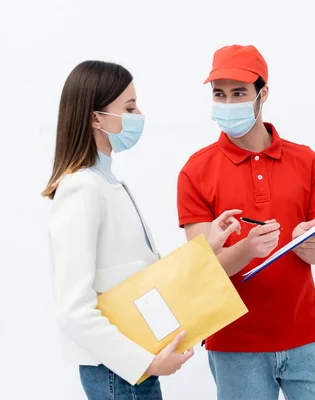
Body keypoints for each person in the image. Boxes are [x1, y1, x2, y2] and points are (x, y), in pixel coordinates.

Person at [43, 60, 242, 400]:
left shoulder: (109, 183)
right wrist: (145, 363)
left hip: (131, 367)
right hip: (119, 371)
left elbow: (141, 274)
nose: (139, 116)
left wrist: (206, 247)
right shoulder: (82, 189)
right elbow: (73, 310)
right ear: (96, 118)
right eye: (130, 107)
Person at [177, 45, 315, 400]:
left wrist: (312, 244)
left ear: (263, 93)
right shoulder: (196, 171)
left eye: (239, 93)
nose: (228, 103)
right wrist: (246, 249)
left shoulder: (306, 161)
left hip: (306, 337)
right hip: (234, 343)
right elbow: (200, 269)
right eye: (219, 94)